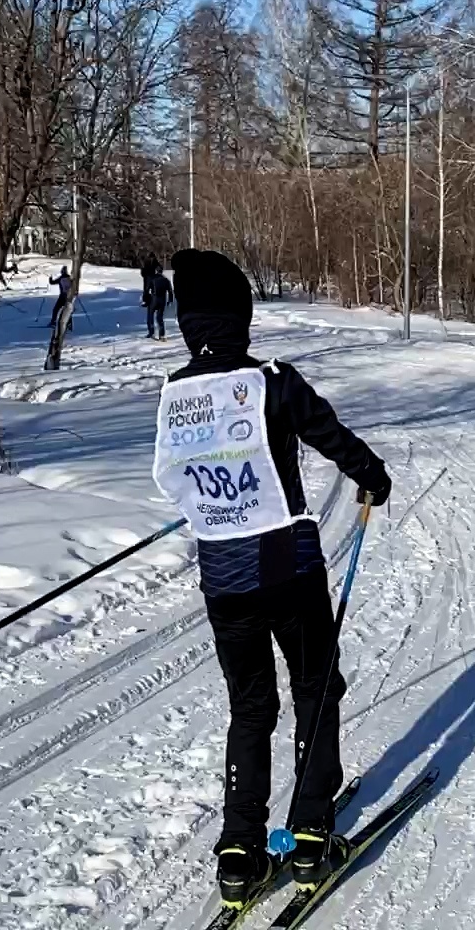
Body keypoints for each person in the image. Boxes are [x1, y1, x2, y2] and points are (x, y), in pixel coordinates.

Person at [151, 249, 392, 907]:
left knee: (251, 705)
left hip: (222, 577)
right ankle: (310, 835)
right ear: (241, 319)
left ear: (187, 324)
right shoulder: (271, 382)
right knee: (315, 685)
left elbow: (175, 477)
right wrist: (372, 476)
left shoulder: (175, 394)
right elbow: (330, 435)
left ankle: (239, 850)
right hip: (286, 565)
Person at [141, 260, 171, 341]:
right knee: (160, 317)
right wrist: (170, 300)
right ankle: (162, 335)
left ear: (156, 271)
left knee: (150, 316)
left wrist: (145, 300)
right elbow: (170, 291)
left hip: (154, 299)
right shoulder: (166, 280)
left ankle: (151, 332)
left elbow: (147, 290)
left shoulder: (152, 279)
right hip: (162, 300)